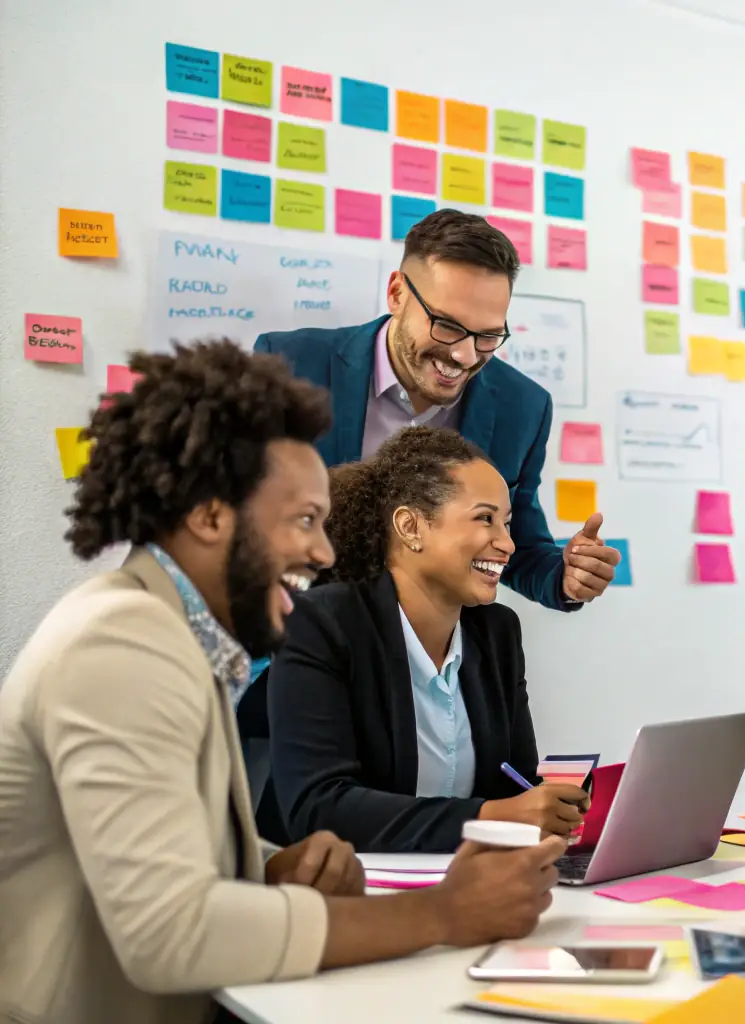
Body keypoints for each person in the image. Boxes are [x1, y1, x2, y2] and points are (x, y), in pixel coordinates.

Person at [0, 341, 563, 1024]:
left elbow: (154, 860)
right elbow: (169, 934)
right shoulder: (123, 640)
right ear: (211, 517)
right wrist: (441, 912)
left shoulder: (167, 633)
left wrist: (269, 866)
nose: (324, 553)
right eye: (302, 522)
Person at [254, 209, 619, 613]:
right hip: (295, 634)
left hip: (430, 655)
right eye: (446, 325)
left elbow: (520, 546)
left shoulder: (524, 407)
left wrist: (564, 578)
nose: (464, 355)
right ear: (397, 294)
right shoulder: (288, 365)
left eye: (488, 336)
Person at [267, 427, 589, 853]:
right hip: (339, 896)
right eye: (485, 518)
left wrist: (557, 808)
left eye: (507, 523)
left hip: (465, 883)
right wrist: (488, 818)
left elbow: (516, 785)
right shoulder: (320, 625)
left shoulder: (497, 633)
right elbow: (318, 808)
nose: (508, 544)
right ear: (410, 527)